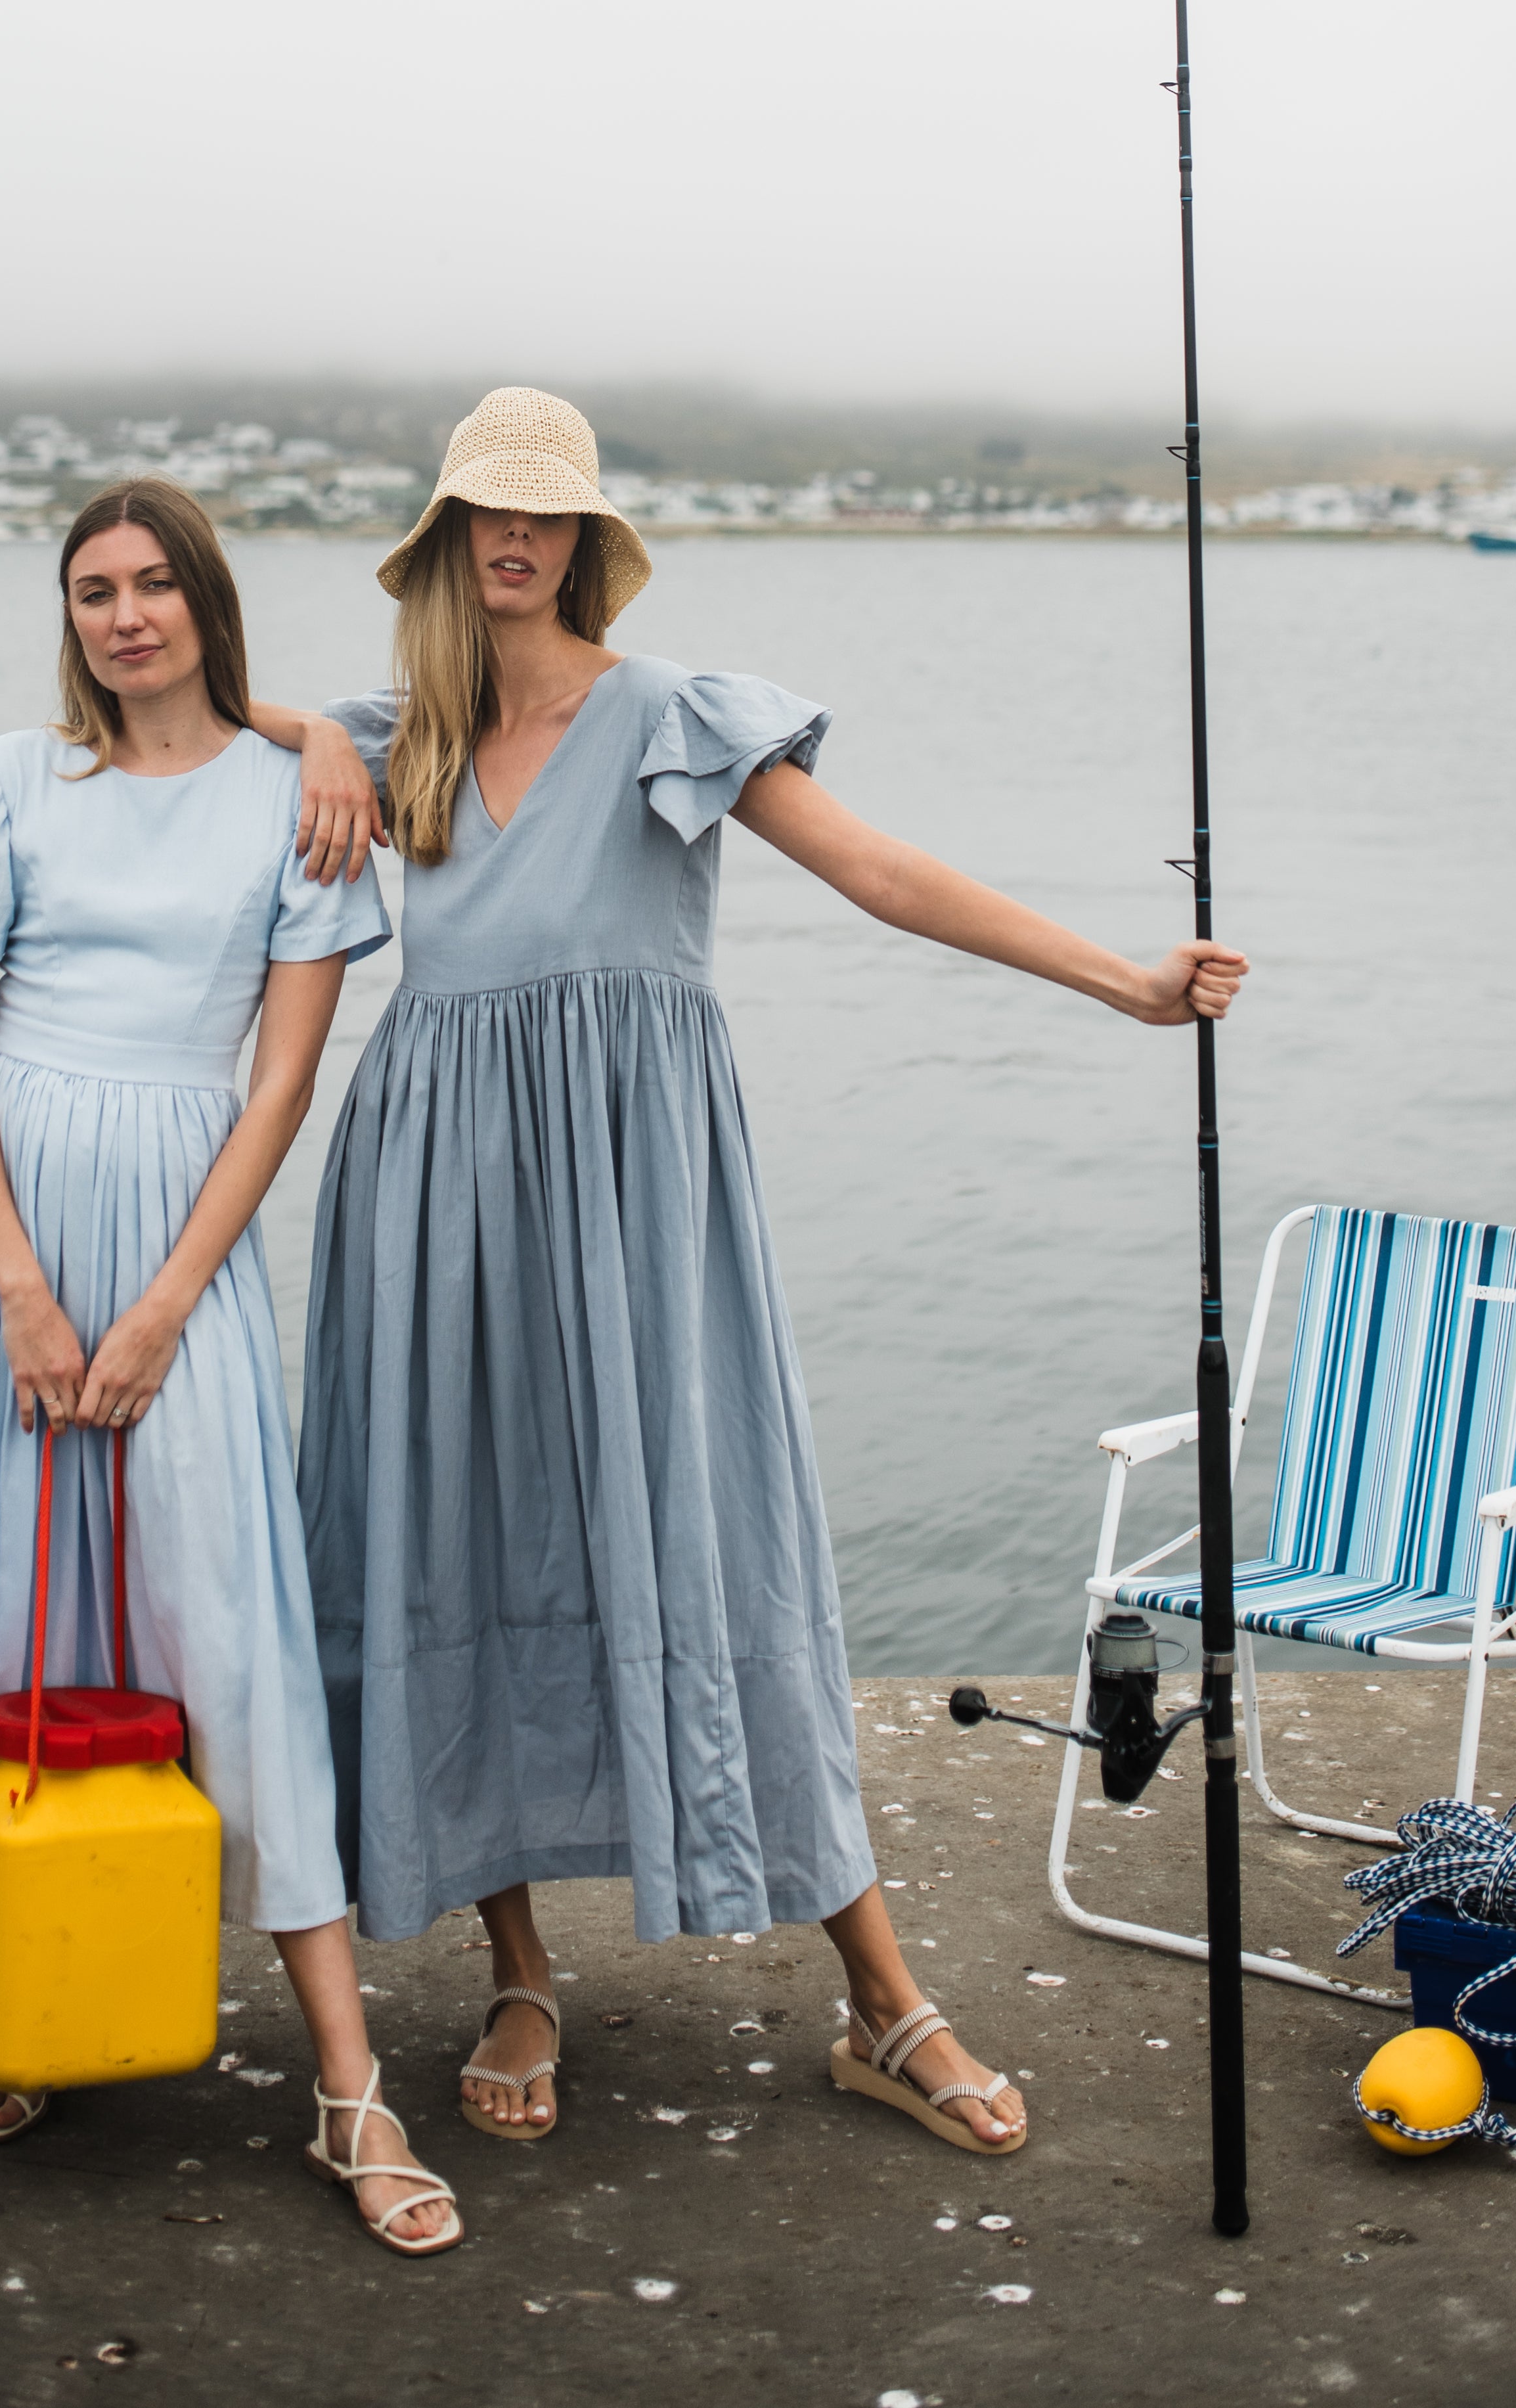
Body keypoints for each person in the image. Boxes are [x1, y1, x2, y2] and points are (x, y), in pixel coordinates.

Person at [264, 388, 1246, 2164]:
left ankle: (880, 1991)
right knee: (454, 1537)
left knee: (715, 1545)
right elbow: (174, 721)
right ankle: (515, 1964)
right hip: (428, 1199)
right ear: (442, 538)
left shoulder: (666, 714)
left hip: (639, 1203)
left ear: (582, 544)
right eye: (488, 511)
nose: (517, 538)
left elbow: (876, 869)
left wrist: (1119, 980)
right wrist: (315, 744)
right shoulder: (393, 733)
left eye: (547, 515)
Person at [0, 480, 462, 2256]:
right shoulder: (13, 777)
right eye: (93, 589)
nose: (125, 614)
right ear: (66, 613)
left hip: (178, 1252)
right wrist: (19, 1286)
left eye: (153, 584)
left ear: (205, 599)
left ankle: (349, 2087)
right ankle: (25, 2008)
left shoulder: (300, 803)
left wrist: (153, 1309)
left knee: (228, 1629)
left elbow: (280, 1085)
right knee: (4, 1616)